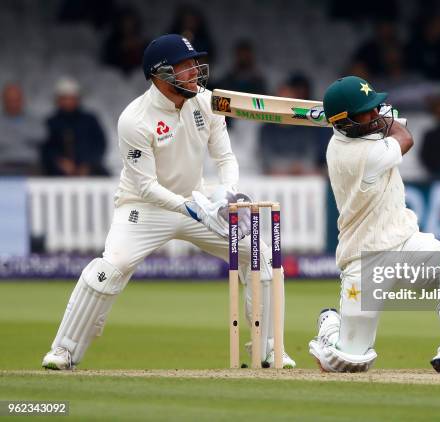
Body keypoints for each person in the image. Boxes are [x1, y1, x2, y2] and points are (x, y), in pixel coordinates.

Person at [41, 34, 295, 370]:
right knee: (108, 269)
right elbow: (146, 187)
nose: (195, 72)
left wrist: (227, 194)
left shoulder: (207, 102)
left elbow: (226, 157)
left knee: (260, 254)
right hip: (144, 209)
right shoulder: (135, 119)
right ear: (160, 74)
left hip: (197, 201)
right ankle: (64, 351)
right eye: (185, 66)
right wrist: (191, 207)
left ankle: (269, 349)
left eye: (195, 64)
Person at [308, 76, 440, 373]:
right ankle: (329, 328)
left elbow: (377, 127)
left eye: (374, 107)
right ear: (346, 122)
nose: (374, 114)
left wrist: (376, 117)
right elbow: (406, 138)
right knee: (350, 362)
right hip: (365, 258)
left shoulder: (358, 133)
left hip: (406, 244)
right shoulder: (354, 154)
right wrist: (389, 120)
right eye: (367, 110)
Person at [259, 73, 329, 175]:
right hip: (275, 180)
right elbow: (267, 159)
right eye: (281, 100)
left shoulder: (306, 125)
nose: (285, 105)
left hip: (302, 178)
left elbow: (310, 155)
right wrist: (288, 168)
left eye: (288, 100)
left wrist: (298, 167)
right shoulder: (267, 128)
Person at [40, 78, 109, 176]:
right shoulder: (51, 122)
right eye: (65, 98)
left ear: (78, 99)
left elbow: (100, 145)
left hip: (90, 169)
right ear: (58, 100)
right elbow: (46, 149)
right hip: (58, 171)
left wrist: (87, 164)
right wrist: (60, 162)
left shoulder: (90, 120)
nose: (68, 102)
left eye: (71, 98)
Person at [0, 83, 44, 175]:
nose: (13, 103)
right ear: (4, 101)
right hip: (3, 166)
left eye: (16, 100)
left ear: (22, 100)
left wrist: (11, 133)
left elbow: (41, 136)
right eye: (10, 100)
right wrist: (23, 135)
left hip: (30, 166)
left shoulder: (34, 119)